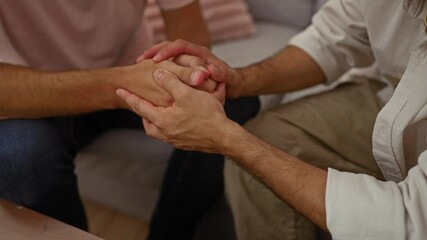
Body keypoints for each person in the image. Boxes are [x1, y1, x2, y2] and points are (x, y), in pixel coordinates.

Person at [117, 0, 427, 239]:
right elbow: (336, 37)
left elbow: (408, 221)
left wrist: (227, 139)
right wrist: (240, 79)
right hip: (393, 94)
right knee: (265, 139)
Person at [0, 0, 212, 231]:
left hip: (131, 73)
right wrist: (119, 83)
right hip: (34, 96)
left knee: (230, 105)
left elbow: (189, 27)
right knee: (19, 157)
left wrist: (188, 72)